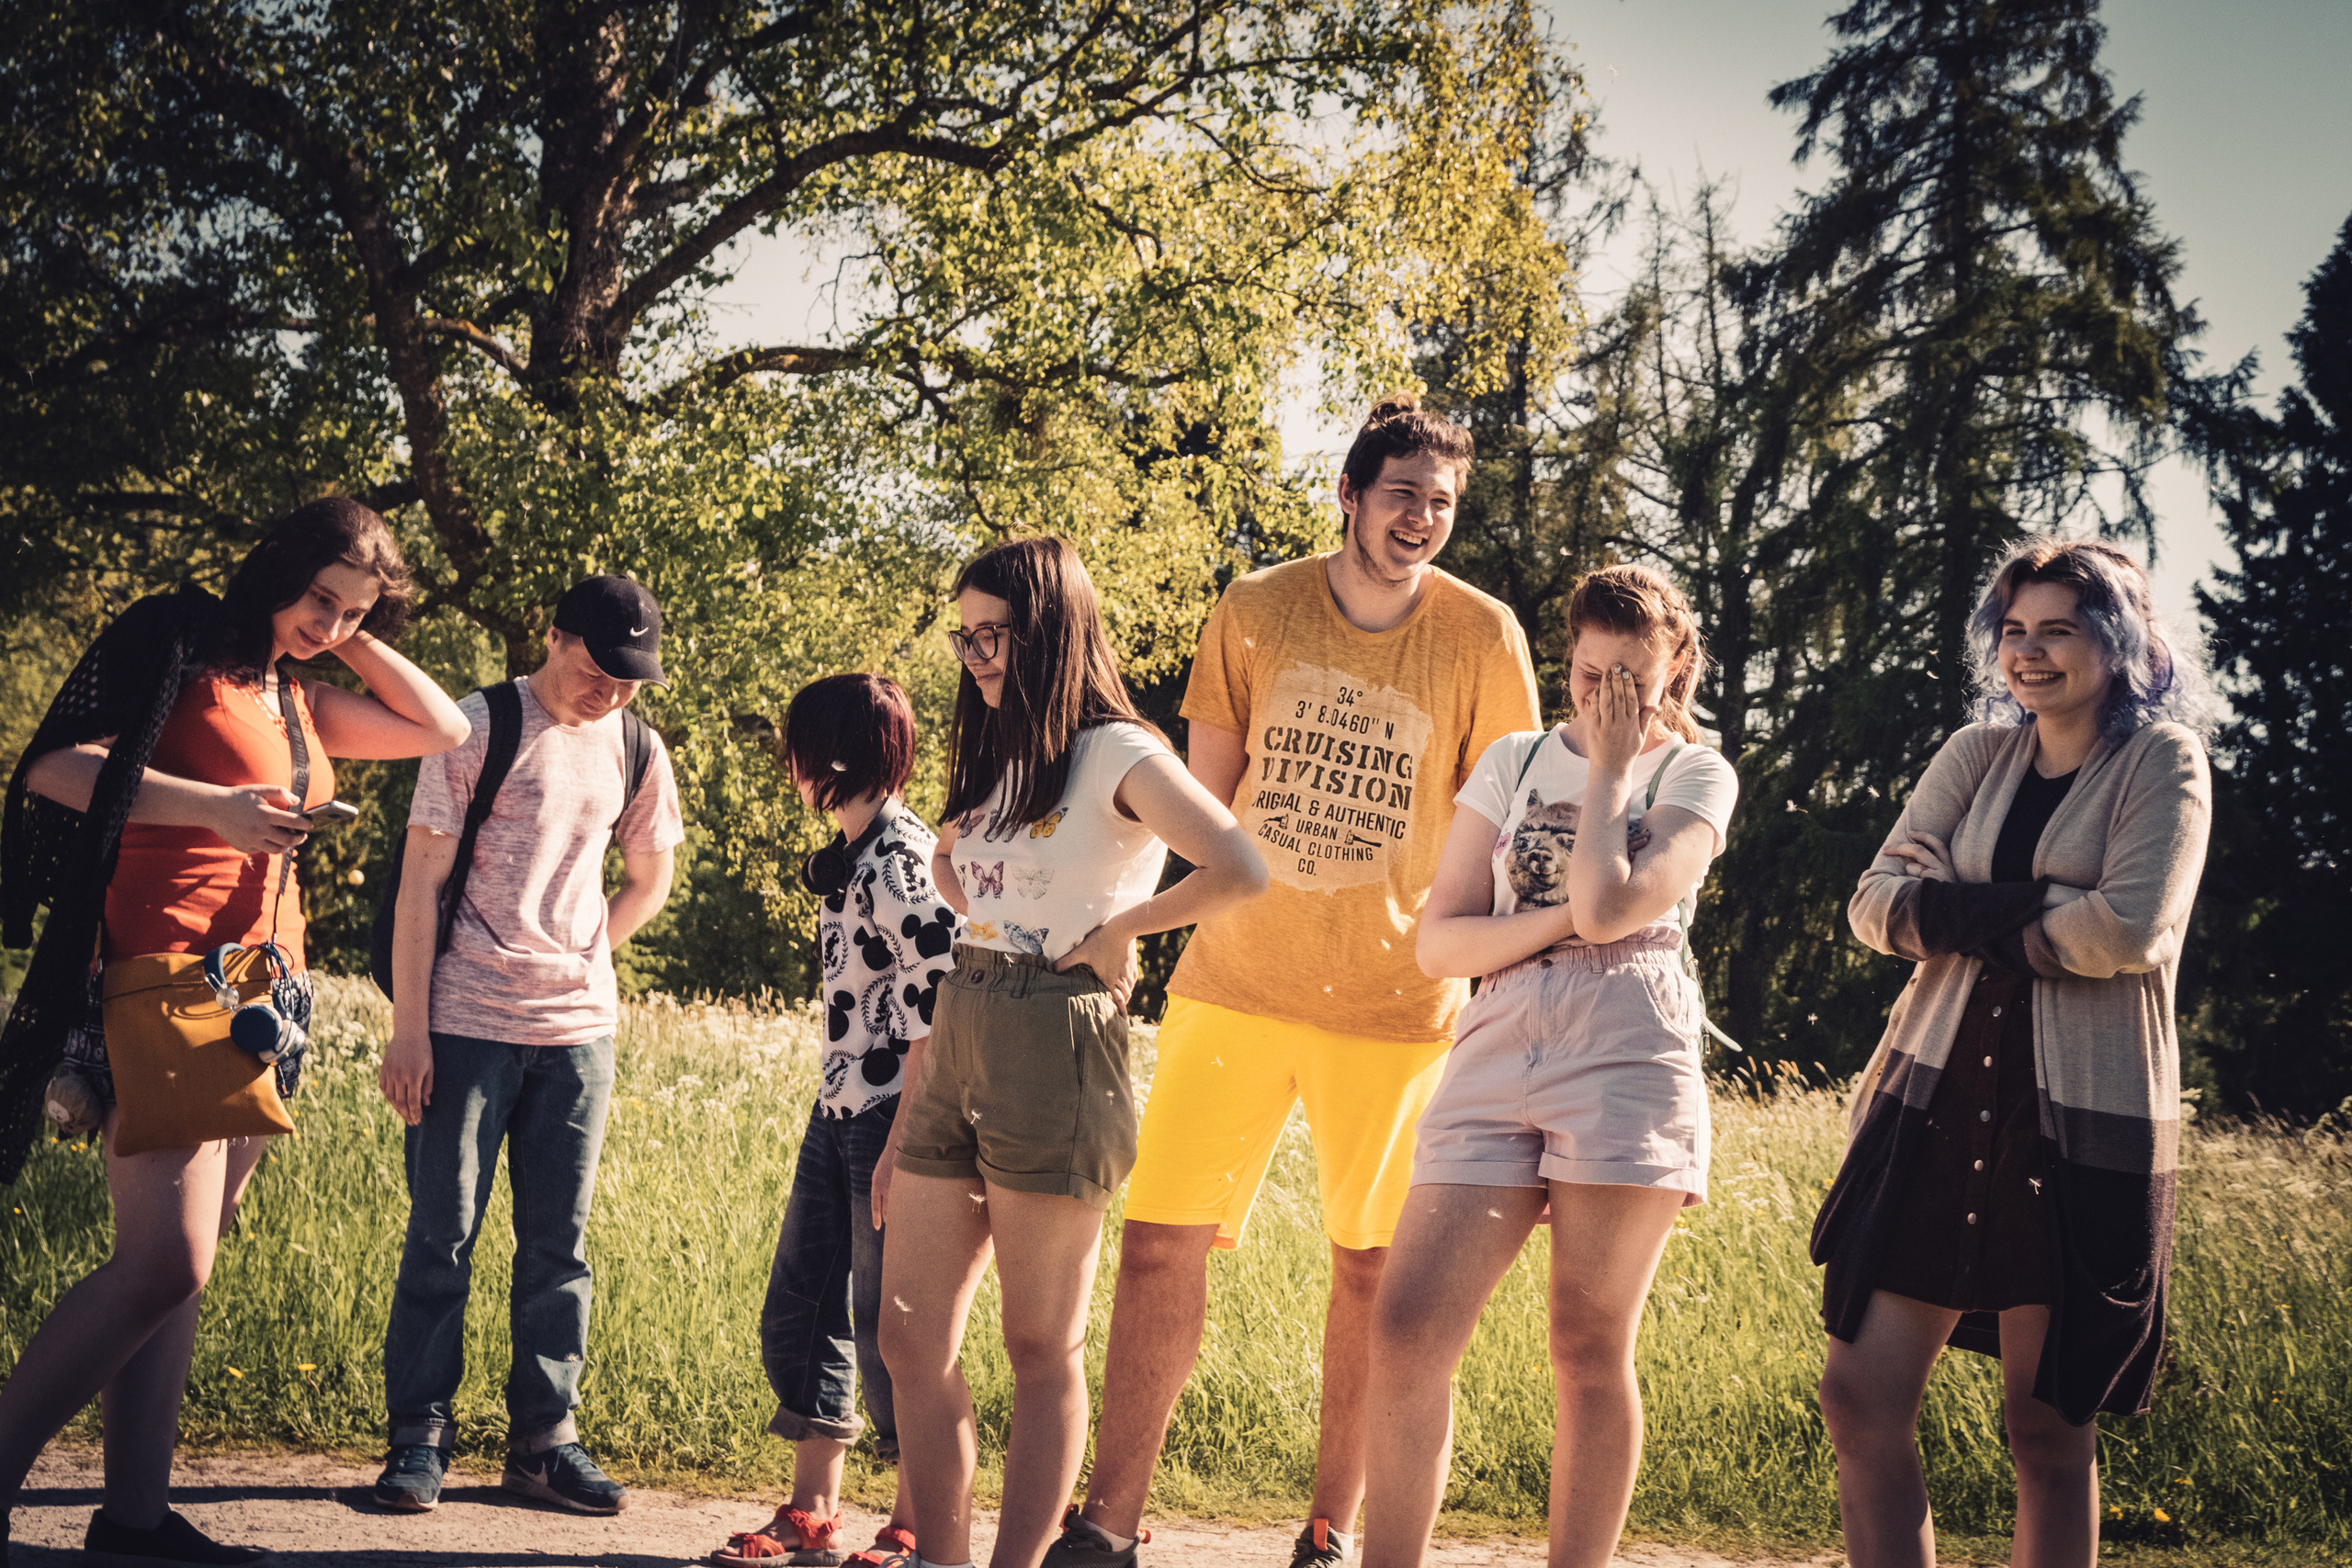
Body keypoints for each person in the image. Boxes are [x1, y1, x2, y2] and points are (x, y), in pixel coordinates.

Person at [1050, 398, 1538, 1568]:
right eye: (1401, 493)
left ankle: (1331, 1528)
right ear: (1350, 493)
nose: (1420, 517)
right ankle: (1107, 1523)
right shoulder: (1255, 607)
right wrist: (1128, 923)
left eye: (1440, 502)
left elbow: (1511, 827)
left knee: (1371, 1271)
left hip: (1397, 1007)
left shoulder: (1483, 636)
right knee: (1156, 1244)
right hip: (1232, 983)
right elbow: (1200, 813)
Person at [0, 498, 469, 1566]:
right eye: (319, 598)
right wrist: (214, 810)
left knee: (185, 1272)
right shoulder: (176, 645)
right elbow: (51, 769)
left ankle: (133, 1520)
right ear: (278, 568)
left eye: (355, 612)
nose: (331, 624)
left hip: (266, 994)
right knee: (163, 1262)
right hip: (161, 975)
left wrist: (348, 636)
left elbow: (442, 727)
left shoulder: (298, 695)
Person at [1811, 537, 2214, 1568]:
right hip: (1932, 1105)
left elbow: (2128, 930)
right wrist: (2046, 906)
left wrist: (1958, 909)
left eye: (2058, 631)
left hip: (2077, 1123)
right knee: (1856, 1396)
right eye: (2014, 631)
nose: (2028, 653)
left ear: (2118, 644)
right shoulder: (1973, 754)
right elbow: (1874, 905)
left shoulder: (2163, 762)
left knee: (2045, 1428)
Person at [876, 536, 1266, 1568]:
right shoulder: (1001, 748)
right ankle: (940, 1558)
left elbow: (1238, 865)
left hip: (1056, 1033)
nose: (974, 657)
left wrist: (1123, 928)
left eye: (991, 636)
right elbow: (963, 876)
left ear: (1049, 628)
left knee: (1038, 1344)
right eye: (964, 639)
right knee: (908, 1335)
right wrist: (974, 886)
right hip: (965, 1011)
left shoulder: (1118, 751)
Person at [1360, 564, 1739, 1568]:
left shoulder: (1694, 776)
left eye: (1632, 679)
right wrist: (1555, 925)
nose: (1606, 696)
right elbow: (1440, 943)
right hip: (1495, 1035)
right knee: (1405, 1331)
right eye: (1587, 674)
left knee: (1586, 1341)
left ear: (1675, 670)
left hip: (1625, 1042)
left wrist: (1612, 770)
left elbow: (1614, 911)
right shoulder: (1513, 759)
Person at [372, 574, 685, 1517]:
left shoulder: (636, 745)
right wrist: (409, 1030)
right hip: (465, 1025)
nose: (611, 692)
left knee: (560, 1246)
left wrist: (588, 950)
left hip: (578, 1034)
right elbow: (420, 883)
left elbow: (651, 873)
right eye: (597, 670)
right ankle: (418, 1439)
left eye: (629, 680)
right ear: (553, 638)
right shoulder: (477, 726)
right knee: (442, 1236)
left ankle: (544, 1445)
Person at [710, 674, 945, 1567]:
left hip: (894, 1117)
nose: (789, 765)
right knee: (803, 1309)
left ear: (829, 756)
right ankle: (812, 1515)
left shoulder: (899, 860)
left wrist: (901, 1144)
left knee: (897, 1329)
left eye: (797, 748)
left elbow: (940, 1002)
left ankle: (917, 1525)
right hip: (840, 1106)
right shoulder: (852, 853)